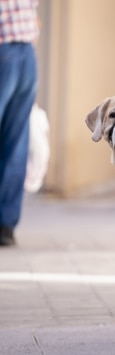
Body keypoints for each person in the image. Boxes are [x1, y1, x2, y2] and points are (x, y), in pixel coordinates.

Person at [0, 0, 39, 246]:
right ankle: (5, 224)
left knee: (17, 141)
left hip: (12, 47)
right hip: (23, 50)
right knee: (16, 141)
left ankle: (5, 223)